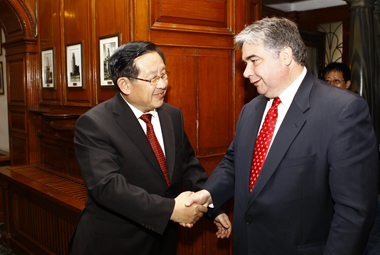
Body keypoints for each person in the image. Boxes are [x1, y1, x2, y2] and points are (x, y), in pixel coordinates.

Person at [186, 17, 379, 255]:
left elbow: (354, 211)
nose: (246, 72)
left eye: (253, 61)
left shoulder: (343, 110)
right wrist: (209, 193)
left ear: (286, 56)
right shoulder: (251, 109)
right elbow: (234, 164)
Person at [67, 41, 231, 255]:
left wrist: (211, 207)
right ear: (124, 84)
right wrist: (171, 210)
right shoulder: (95, 123)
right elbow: (108, 187)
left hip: (163, 240)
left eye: (164, 75)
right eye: (153, 78)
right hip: (115, 243)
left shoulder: (172, 115)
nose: (162, 84)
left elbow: (188, 166)